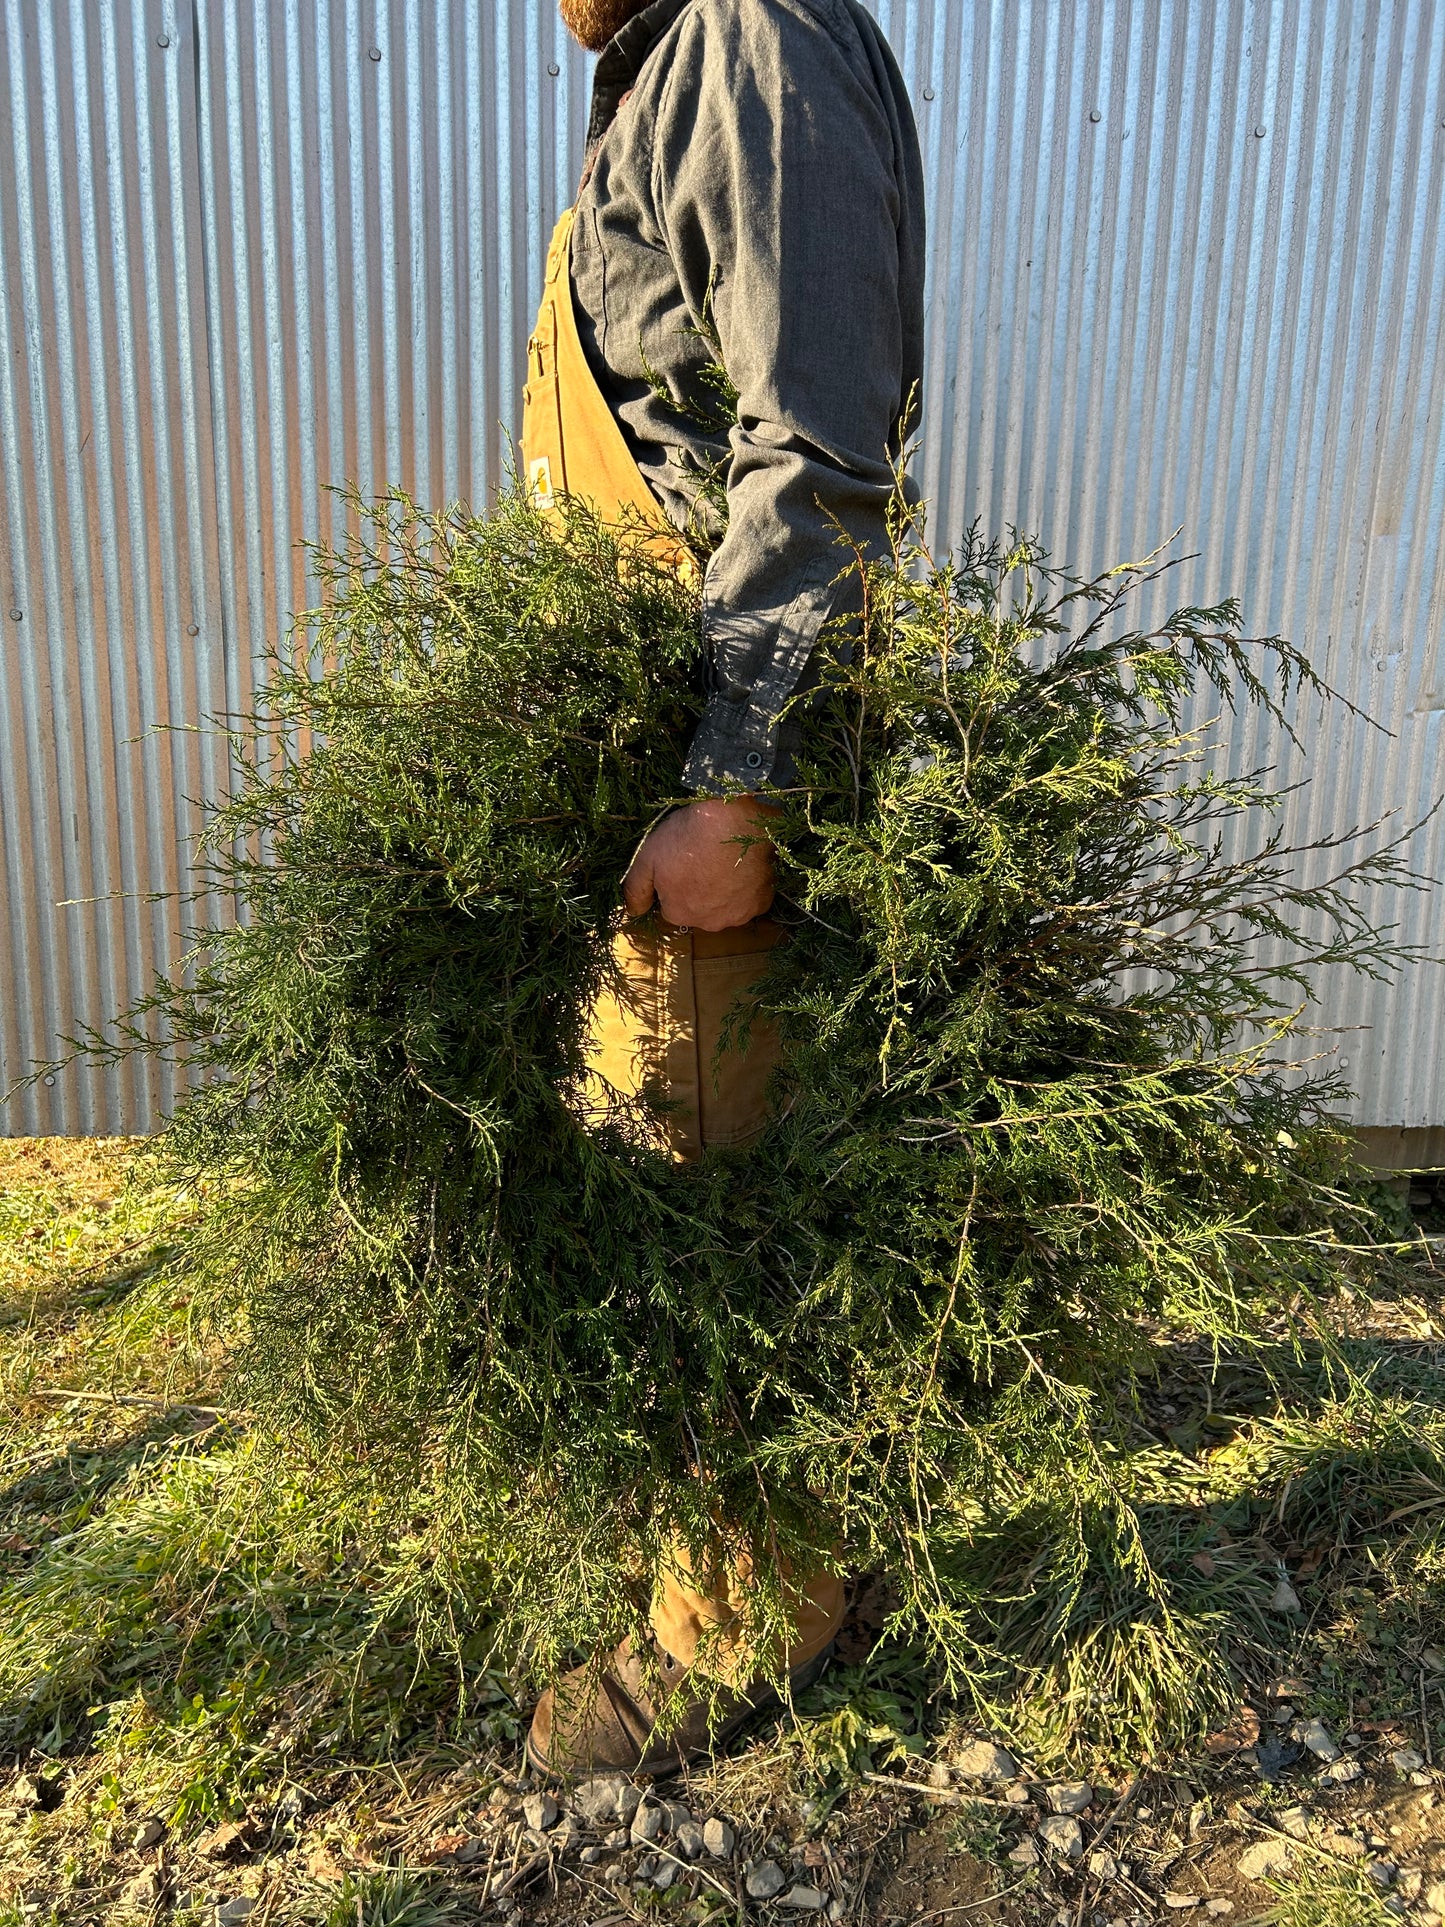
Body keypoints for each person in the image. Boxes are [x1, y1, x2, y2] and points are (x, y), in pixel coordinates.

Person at [520, 0, 925, 1777]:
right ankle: (741, 1552)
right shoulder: (667, 66)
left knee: (706, 1184)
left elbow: (820, 446)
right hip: (673, 743)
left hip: (720, 752)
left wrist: (735, 777)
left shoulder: (747, 42)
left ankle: (747, 1616)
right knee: (663, 1149)